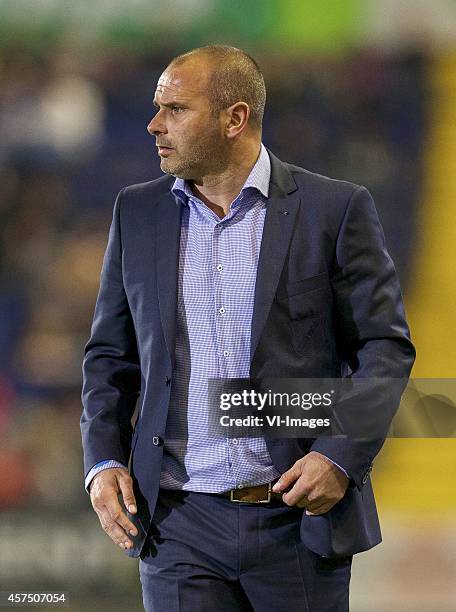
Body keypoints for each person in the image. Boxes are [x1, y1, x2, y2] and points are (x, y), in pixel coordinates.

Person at [81, 45, 415, 611]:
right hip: (175, 522)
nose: (154, 124)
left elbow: (384, 348)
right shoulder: (136, 212)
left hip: (297, 522)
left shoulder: (335, 209)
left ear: (235, 118)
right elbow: (110, 356)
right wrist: (103, 461)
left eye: (176, 109)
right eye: (158, 108)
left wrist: (338, 455)